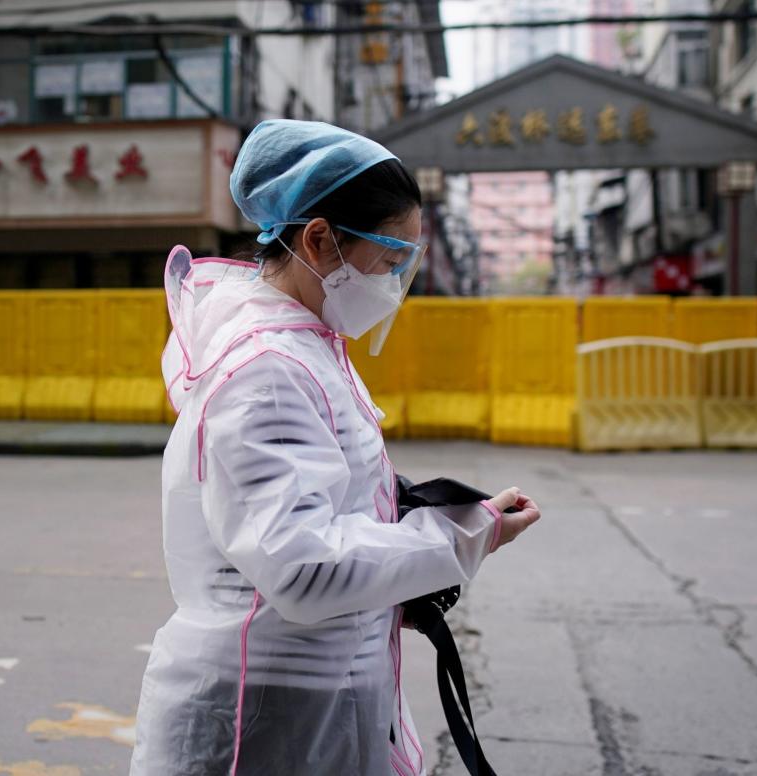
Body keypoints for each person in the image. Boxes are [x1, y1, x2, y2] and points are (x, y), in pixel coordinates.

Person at [130, 120, 541, 776]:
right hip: (267, 715)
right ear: (319, 240)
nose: (392, 284)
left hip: (307, 705)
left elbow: (324, 517)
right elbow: (302, 568)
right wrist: (464, 536)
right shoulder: (267, 370)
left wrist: (413, 559)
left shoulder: (306, 348)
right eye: (388, 260)